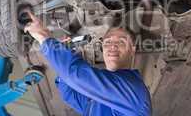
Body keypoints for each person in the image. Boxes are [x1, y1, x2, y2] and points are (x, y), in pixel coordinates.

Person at [24, 11, 152, 116]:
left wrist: (44, 36)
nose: (112, 46)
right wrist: (68, 53)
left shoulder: (132, 89)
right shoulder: (97, 100)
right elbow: (69, 93)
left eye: (121, 42)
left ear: (132, 50)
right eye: (107, 42)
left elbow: (74, 77)